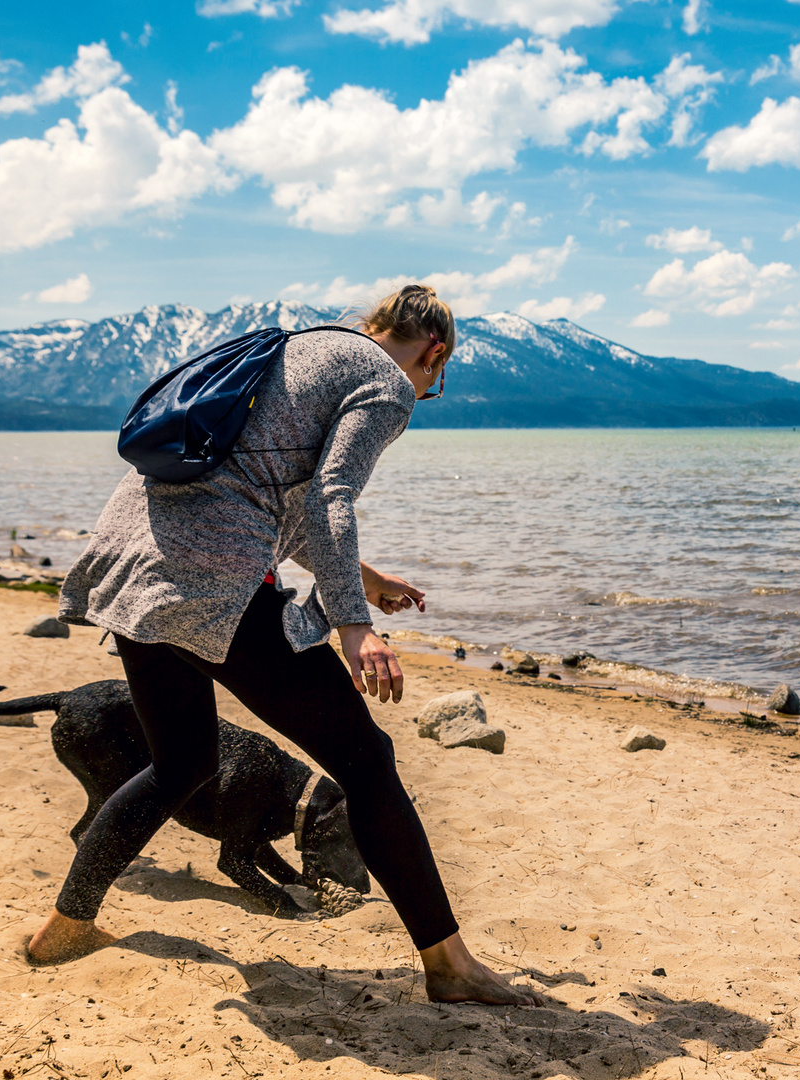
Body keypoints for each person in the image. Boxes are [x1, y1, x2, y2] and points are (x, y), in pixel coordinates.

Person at [36, 285, 539, 1006]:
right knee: (367, 761)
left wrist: (362, 579)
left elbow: (277, 496)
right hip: (211, 578)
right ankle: (451, 967)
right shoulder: (387, 385)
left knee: (182, 762)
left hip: (133, 558)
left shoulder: (298, 348)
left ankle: (63, 927)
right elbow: (332, 494)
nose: (425, 391)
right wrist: (354, 622)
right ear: (434, 353)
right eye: (438, 379)